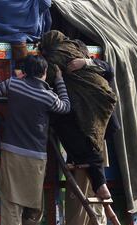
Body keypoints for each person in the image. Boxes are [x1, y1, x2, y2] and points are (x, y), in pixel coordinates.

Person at [0, 55, 71, 225]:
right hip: (36, 156)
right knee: (33, 205)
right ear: (44, 73)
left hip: (11, 152)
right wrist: (59, 80)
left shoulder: (13, 84)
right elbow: (66, 107)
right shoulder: (48, 97)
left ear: (24, 72)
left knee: (11, 201)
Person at [39, 30, 117, 200]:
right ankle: (98, 182)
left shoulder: (53, 57)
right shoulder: (79, 47)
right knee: (92, 140)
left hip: (89, 103)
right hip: (105, 99)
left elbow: (44, 80)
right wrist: (86, 62)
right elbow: (109, 70)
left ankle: (100, 185)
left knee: (75, 130)